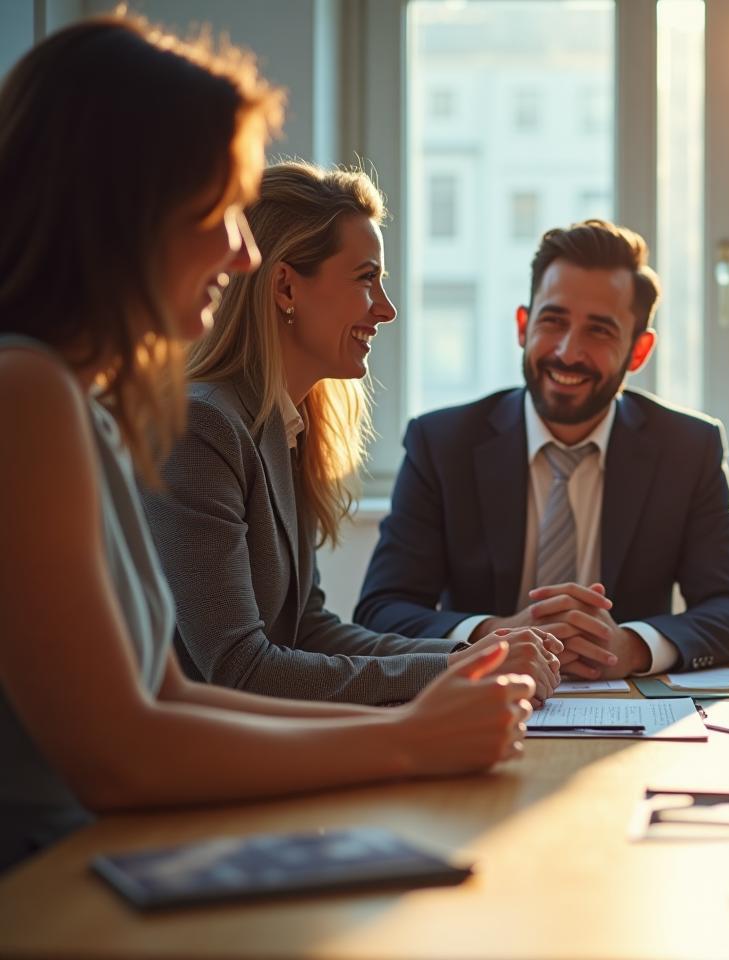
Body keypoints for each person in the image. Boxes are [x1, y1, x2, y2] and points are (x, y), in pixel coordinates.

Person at [0, 15, 532, 873]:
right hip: (44, 875)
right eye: (219, 210)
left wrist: (424, 715)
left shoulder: (81, 406)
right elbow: (120, 754)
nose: (242, 253)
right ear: (124, 211)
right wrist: (407, 741)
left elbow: (167, 693)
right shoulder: (25, 393)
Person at [142, 161, 561, 705]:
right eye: (367, 279)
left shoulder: (282, 423)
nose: (386, 310)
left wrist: (475, 657)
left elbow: (309, 628)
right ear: (286, 286)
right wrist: (456, 675)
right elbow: (240, 668)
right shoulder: (202, 428)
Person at [355, 219, 729, 679]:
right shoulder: (442, 443)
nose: (568, 353)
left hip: (628, 709)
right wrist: (493, 636)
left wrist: (630, 646)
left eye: (600, 331)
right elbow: (381, 609)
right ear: (522, 326)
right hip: (480, 697)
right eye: (553, 321)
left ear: (638, 351)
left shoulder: (688, 449)